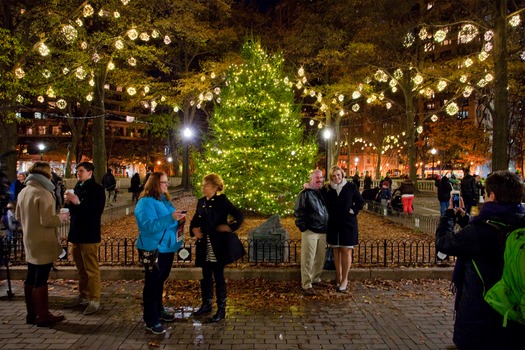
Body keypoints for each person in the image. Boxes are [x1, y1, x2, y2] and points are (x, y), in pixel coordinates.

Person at [435, 170, 525, 349]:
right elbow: (492, 234)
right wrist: (465, 218)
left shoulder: (479, 232)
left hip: (481, 317)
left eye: (485, 193)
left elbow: (444, 244)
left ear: (492, 195)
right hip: (512, 316)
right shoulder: (519, 223)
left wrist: (449, 216)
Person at [15, 162, 70, 327]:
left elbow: (18, 215)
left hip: (30, 239)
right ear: (46, 175)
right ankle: (43, 315)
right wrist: (60, 218)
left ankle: (32, 313)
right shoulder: (43, 193)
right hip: (43, 241)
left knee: (31, 274)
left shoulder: (24, 191)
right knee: (41, 276)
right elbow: (47, 220)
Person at [134, 172, 185, 334]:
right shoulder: (145, 203)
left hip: (167, 247)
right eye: (163, 182)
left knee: (160, 280)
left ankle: (158, 309)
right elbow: (148, 226)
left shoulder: (164, 200)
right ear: (154, 184)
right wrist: (171, 218)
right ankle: (151, 319)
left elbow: (171, 218)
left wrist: (179, 219)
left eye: (167, 182)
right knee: (152, 283)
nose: (166, 185)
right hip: (153, 248)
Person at [190, 173, 244, 322]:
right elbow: (195, 220)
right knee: (205, 275)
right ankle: (206, 303)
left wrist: (229, 227)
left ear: (214, 187)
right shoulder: (201, 202)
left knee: (218, 276)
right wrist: (194, 230)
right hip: (204, 245)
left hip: (217, 245)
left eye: (205, 185)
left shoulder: (222, 200)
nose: (202, 188)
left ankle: (221, 308)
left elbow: (239, 216)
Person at [63, 162, 106, 315]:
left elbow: (95, 211)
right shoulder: (78, 187)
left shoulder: (97, 189)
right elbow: (75, 210)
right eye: (77, 171)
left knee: (91, 269)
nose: (78, 173)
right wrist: (68, 204)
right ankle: (83, 295)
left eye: (81, 171)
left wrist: (78, 202)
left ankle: (94, 299)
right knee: (81, 269)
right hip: (76, 233)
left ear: (90, 172)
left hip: (89, 234)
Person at [322, 166, 364, 292]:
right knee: (336, 250)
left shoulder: (351, 187)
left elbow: (360, 202)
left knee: (346, 250)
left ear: (342, 175)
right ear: (331, 177)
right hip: (334, 223)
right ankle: (338, 276)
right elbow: (321, 199)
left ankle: (345, 278)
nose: (337, 178)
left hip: (348, 223)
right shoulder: (327, 189)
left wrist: (353, 211)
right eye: (334, 176)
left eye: (338, 175)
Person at [294, 169, 329, 295]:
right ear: (311, 180)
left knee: (320, 258)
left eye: (321, 177)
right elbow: (299, 211)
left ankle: (315, 278)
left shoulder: (322, 192)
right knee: (308, 258)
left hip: (322, 230)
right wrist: (303, 227)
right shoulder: (305, 194)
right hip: (310, 230)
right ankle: (306, 284)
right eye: (317, 178)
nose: (319, 180)